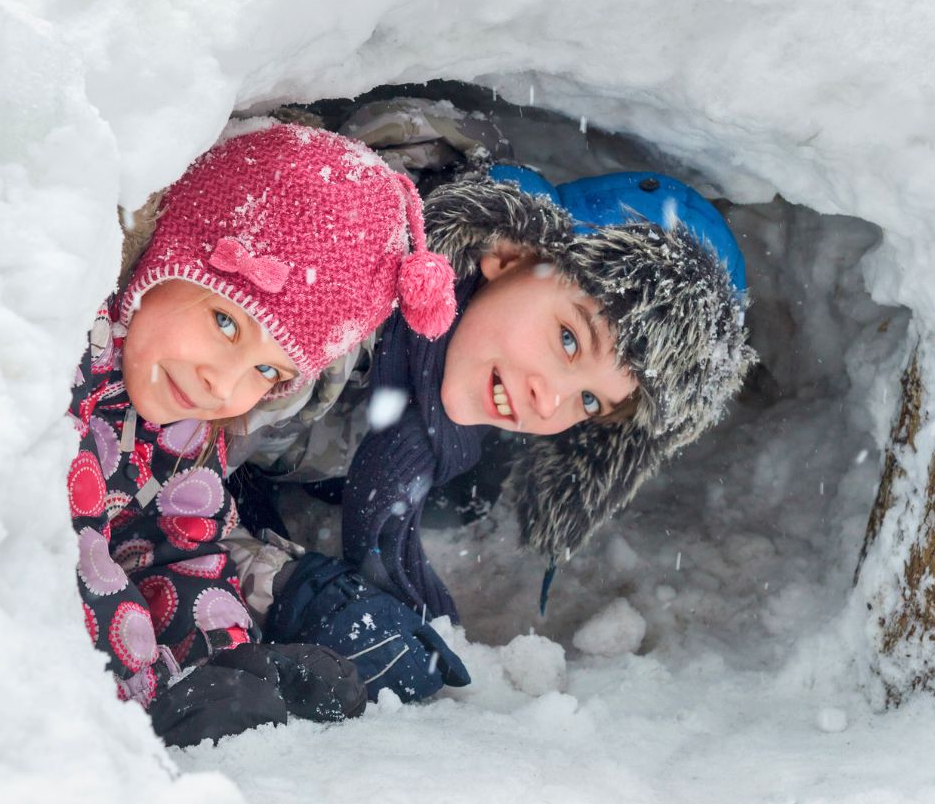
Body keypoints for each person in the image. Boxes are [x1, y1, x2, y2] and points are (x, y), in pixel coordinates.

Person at [221, 103, 756, 701]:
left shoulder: (440, 404)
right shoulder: (334, 287)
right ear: (509, 252)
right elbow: (132, 468)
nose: (549, 398)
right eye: (569, 339)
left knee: (465, 497)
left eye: (589, 401)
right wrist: (287, 586)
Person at [65, 123, 457, 746]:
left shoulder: (187, 418)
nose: (224, 384)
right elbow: (59, 564)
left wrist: (228, 663)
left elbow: (178, 549)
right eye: (225, 321)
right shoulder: (63, 355)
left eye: (268, 370)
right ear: (168, 251)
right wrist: (151, 692)